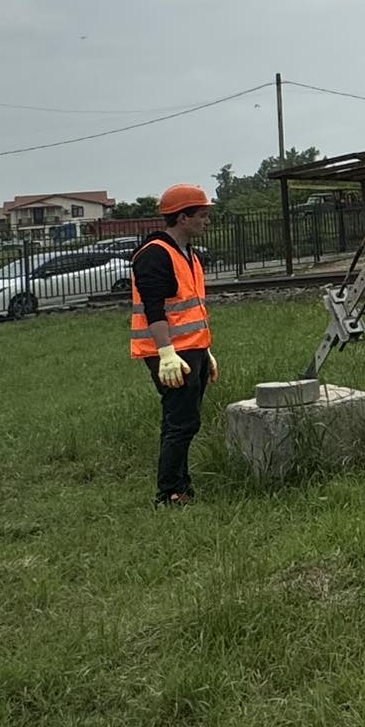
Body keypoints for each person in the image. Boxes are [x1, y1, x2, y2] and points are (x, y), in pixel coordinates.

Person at [128, 183, 219, 506]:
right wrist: (166, 354)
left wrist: (204, 350)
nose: (207, 221)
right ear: (183, 218)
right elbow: (154, 307)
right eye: (202, 215)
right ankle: (169, 492)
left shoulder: (187, 254)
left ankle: (180, 485)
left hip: (191, 348)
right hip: (169, 352)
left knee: (185, 419)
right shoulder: (154, 254)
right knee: (182, 421)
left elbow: (189, 306)